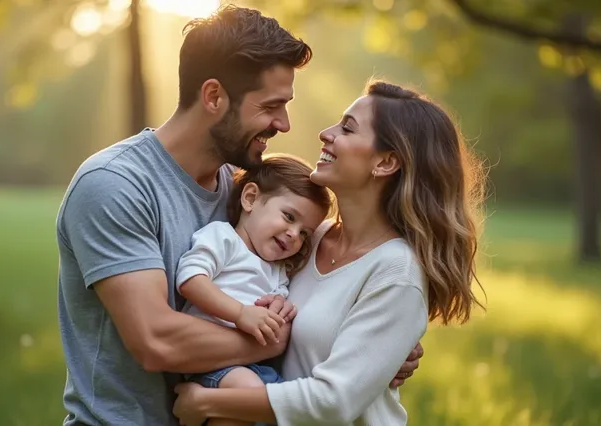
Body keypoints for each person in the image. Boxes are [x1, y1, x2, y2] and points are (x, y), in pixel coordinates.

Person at [55, 5, 422, 426]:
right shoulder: (116, 185)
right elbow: (156, 341)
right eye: (271, 106)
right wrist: (272, 342)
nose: (283, 124)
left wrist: (371, 355)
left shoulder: (248, 190)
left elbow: (327, 287)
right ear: (214, 97)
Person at [172, 80, 487, 426]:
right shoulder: (306, 241)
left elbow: (334, 401)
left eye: (347, 129)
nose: (325, 133)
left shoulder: (396, 272)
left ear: (385, 163)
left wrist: (210, 402)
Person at [175, 155, 331, 418]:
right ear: (250, 199)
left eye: (305, 233)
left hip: (257, 366)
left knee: (294, 408)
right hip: (213, 363)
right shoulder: (223, 238)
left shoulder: (279, 269)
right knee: (247, 393)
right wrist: (240, 313)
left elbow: (285, 308)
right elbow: (190, 280)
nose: (295, 234)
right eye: (289, 216)